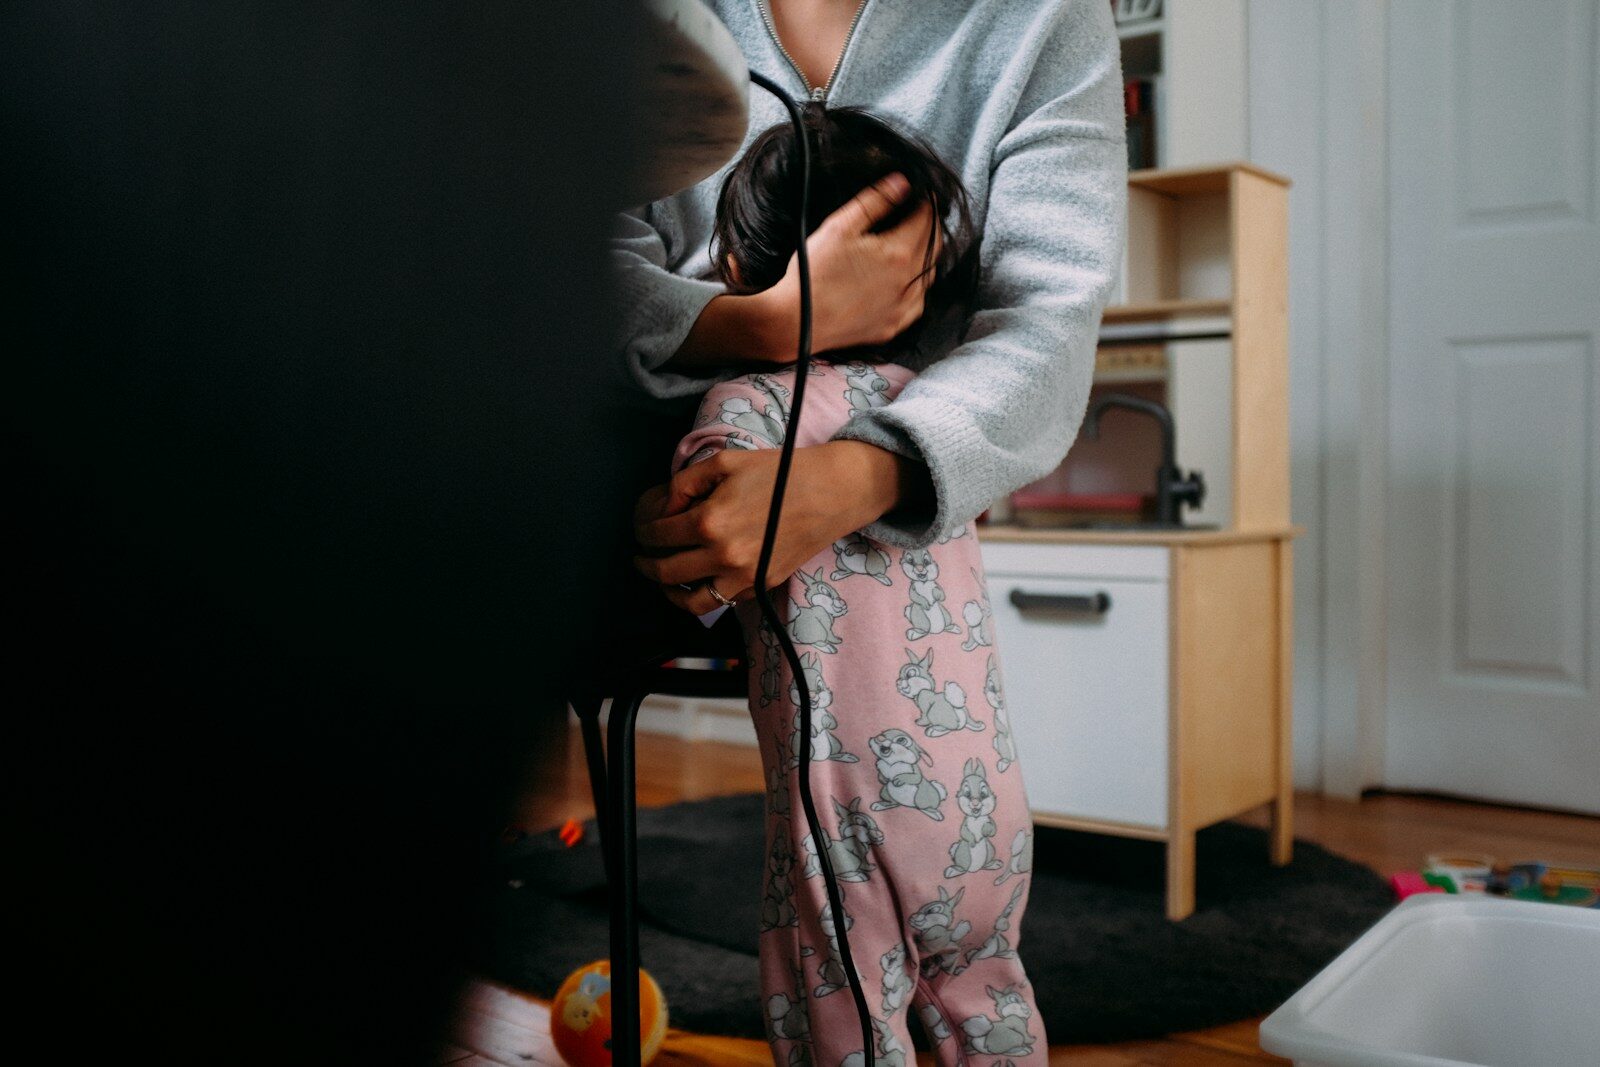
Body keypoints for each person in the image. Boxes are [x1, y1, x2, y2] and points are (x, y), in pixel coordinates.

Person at [665, 102, 1043, 1064]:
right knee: (985, 998)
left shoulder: (746, 409)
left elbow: (701, 566)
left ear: (741, 271)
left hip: (847, 826)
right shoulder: (935, 415)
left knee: (844, 1031)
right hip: (985, 807)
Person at [618, 0, 1129, 618]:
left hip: (883, 514)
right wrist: (773, 324)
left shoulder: (1046, 16)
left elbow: (1046, 318)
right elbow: (543, 265)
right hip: (609, 491)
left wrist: (855, 480)